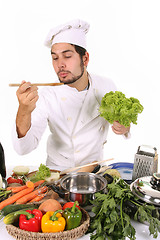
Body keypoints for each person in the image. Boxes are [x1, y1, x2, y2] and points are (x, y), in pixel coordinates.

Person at [12, 19, 130, 170]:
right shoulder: (47, 95)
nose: (60, 64)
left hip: (94, 171)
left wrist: (124, 127)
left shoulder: (106, 86)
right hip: (58, 174)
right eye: (55, 58)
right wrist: (24, 110)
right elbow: (24, 148)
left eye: (67, 56)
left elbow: (124, 123)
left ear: (85, 58)